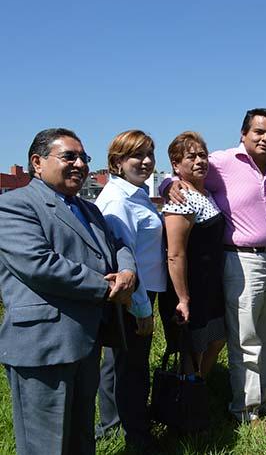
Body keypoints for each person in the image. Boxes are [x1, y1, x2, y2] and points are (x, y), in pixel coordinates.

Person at [0, 128, 136, 455]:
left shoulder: (88, 209)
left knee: (80, 440)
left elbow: (117, 244)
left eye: (84, 158)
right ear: (37, 162)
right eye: (69, 156)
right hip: (45, 345)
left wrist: (128, 270)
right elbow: (40, 265)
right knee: (45, 445)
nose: (80, 164)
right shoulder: (14, 205)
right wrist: (106, 289)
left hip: (85, 342)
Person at [164, 108, 266, 422]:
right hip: (242, 260)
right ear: (244, 134)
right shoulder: (223, 162)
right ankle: (244, 409)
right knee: (246, 338)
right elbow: (182, 168)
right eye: (259, 132)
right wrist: (168, 185)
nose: (265, 138)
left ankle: (263, 399)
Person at [95, 130, 167, 451]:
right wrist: (141, 308)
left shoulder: (135, 193)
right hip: (133, 295)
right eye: (138, 155)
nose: (147, 161)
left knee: (117, 364)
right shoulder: (117, 199)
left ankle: (112, 426)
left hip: (140, 292)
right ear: (118, 162)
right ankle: (138, 436)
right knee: (133, 368)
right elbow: (125, 256)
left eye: (150, 153)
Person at [161, 131, 226, 379]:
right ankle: (187, 406)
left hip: (212, 285)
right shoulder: (180, 198)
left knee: (217, 339)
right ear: (176, 165)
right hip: (192, 288)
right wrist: (183, 298)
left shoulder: (206, 194)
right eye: (191, 156)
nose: (200, 161)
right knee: (193, 348)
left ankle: (199, 391)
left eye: (202, 155)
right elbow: (175, 254)